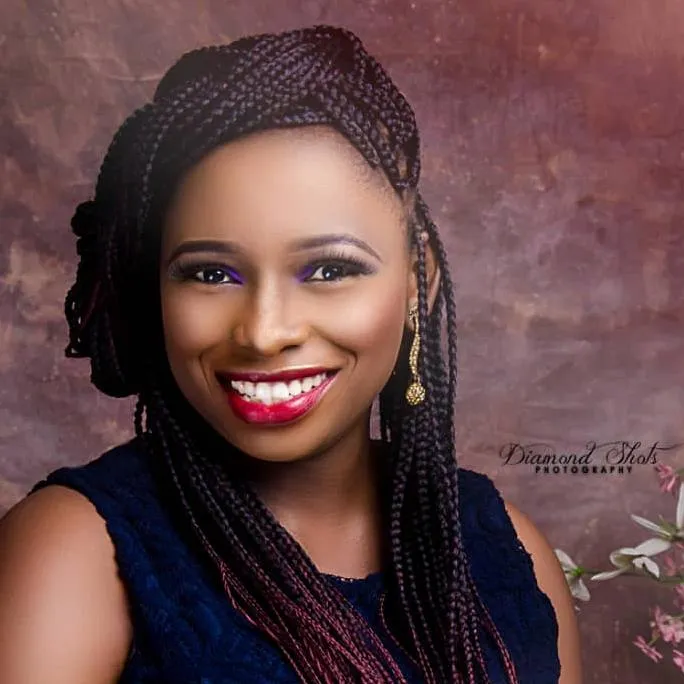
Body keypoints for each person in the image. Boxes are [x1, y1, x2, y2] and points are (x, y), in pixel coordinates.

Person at [0, 25, 581, 683]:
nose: (264, 332)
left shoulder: (505, 552)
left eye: (330, 270)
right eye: (211, 273)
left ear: (419, 278)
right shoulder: (74, 556)